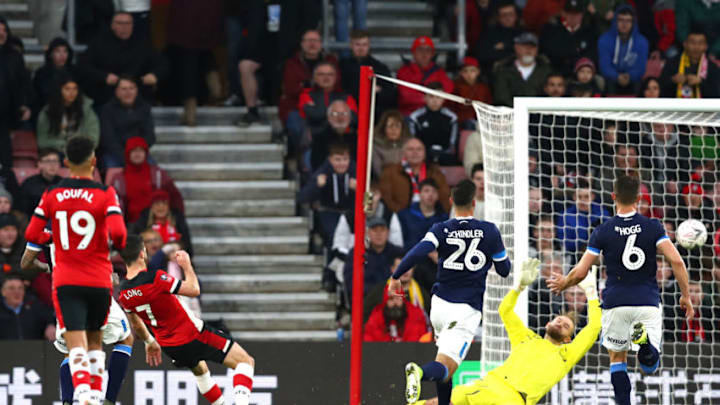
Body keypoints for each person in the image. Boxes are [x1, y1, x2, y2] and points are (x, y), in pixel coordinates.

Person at [548, 175, 695, 405]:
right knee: (649, 366)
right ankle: (644, 345)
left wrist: (563, 283)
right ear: (639, 198)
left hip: (615, 302)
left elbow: (580, 271)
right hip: (646, 301)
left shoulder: (603, 231)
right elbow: (676, 262)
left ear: (613, 197)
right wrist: (686, 296)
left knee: (617, 358)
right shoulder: (653, 226)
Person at [388, 179, 514, 405]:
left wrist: (396, 275)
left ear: (451, 202)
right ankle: (419, 372)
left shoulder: (441, 229)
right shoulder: (489, 231)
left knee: (445, 362)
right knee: (446, 367)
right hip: (465, 310)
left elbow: (418, 251)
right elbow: (504, 271)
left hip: (438, 307)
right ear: (474, 203)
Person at [24, 136, 127, 405]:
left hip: (67, 280)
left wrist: (52, 236)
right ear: (94, 161)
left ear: (66, 162)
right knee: (95, 340)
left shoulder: (51, 194)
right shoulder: (106, 193)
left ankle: (82, 392)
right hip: (98, 278)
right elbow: (119, 236)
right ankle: (94, 391)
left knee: (75, 340)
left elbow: (32, 233)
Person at [410, 264, 599, 405]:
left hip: (513, 399)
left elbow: (594, 328)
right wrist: (519, 287)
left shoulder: (567, 354)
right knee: (438, 402)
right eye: (559, 320)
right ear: (548, 323)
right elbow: (505, 310)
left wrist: (591, 293)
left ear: (568, 338)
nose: (560, 322)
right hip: (487, 385)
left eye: (566, 325)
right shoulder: (526, 337)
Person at [118, 235, 256, 405]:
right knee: (245, 362)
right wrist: (186, 266)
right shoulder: (155, 278)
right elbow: (194, 289)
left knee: (201, 371)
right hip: (192, 334)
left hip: (170, 346)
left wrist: (149, 341)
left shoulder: (123, 292)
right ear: (142, 253)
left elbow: (136, 324)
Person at [20, 235, 145, 405]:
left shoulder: (46, 224)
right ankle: (109, 400)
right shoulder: (91, 214)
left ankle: (67, 401)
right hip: (94, 291)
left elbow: (26, 262)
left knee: (71, 350)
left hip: (64, 295)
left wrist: (50, 267)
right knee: (125, 339)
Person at [78, 11, 168, 106]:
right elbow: (83, 66)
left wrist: (154, 75)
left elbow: (163, 64)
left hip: (138, 96)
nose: (124, 27)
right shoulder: (99, 43)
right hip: (106, 96)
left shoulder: (143, 44)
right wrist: (103, 77)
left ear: (133, 25)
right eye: (120, 23)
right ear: (112, 25)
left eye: (128, 23)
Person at [165, 0, 224, 125]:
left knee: (187, 66)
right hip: (209, 16)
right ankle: (216, 89)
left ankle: (190, 113)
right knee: (205, 54)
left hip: (186, 18)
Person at [279, 29, 340, 139]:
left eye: (316, 40)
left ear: (321, 43)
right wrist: (319, 85)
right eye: (308, 40)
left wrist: (307, 84)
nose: (312, 44)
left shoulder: (331, 60)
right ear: (302, 44)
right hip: (296, 107)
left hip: (327, 104)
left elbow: (336, 84)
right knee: (298, 128)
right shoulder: (292, 63)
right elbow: (291, 88)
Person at [108, 136, 184, 223]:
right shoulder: (119, 179)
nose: (137, 154)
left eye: (140, 151)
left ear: (145, 153)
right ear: (128, 153)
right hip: (131, 225)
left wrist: (179, 220)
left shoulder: (158, 174)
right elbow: (112, 203)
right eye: (134, 151)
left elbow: (175, 197)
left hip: (156, 222)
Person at [297, 143, 356, 248]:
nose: (342, 163)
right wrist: (317, 186)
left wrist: (359, 190)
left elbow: (369, 196)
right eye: (337, 160)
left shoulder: (356, 172)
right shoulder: (322, 172)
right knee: (333, 237)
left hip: (352, 214)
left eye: (345, 159)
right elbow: (302, 197)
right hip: (329, 213)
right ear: (330, 159)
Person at [379, 138, 451, 213]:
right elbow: (386, 198)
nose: (415, 152)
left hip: (430, 216)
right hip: (400, 216)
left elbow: (444, 197)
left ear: (424, 153)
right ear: (403, 153)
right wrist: (403, 215)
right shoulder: (391, 172)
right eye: (410, 149)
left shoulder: (434, 172)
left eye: (419, 149)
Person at [99, 76, 156, 167]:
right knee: (112, 167)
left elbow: (150, 136)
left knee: (153, 169)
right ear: (117, 92)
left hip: (139, 153)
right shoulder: (107, 110)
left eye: (131, 88)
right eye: (124, 89)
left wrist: (137, 151)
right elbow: (108, 139)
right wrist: (127, 156)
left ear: (136, 90)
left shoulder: (145, 108)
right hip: (115, 154)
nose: (128, 92)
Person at [339, 30, 396, 119]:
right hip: (348, 112)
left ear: (369, 46)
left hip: (374, 114)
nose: (361, 48)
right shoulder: (342, 66)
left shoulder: (380, 68)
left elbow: (391, 94)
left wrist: (379, 91)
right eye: (357, 44)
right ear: (351, 45)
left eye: (364, 44)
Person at [36, 76, 100, 152]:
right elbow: (42, 141)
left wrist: (80, 147)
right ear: (59, 90)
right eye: (67, 89)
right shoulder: (48, 111)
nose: (71, 92)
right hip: (56, 152)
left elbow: (94, 137)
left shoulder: (86, 109)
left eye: (75, 89)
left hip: (81, 152)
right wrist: (64, 146)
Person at [0, 16, 32, 169]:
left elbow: (23, 83)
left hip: (5, 116)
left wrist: (23, 104)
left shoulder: (14, 56)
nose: (1, 34)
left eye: (4, 30)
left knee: (5, 160)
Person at [343, 217, 404, 298]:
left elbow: (406, 279)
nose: (379, 234)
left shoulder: (398, 253)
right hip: (366, 299)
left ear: (388, 233)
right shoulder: (357, 253)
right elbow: (351, 282)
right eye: (375, 230)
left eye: (382, 230)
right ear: (367, 233)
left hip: (394, 300)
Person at [597, 5, 649, 95]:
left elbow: (640, 68)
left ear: (633, 23)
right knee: (606, 82)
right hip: (611, 79)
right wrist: (617, 76)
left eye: (628, 21)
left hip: (633, 80)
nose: (624, 24)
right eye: (621, 20)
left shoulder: (642, 42)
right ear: (615, 22)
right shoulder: (604, 40)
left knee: (639, 83)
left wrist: (629, 76)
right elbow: (604, 66)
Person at [299, 63, 357, 139]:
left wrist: (322, 112)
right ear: (314, 77)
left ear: (336, 77)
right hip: (315, 138)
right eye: (321, 74)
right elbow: (314, 115)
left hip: (343, 138)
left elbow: (353, 119)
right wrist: (340, 114)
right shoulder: (306, 95)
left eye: (330, 74)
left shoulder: (347, 96)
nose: (326, 77)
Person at [396, 36, 453, 115]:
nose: (424, 54)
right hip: (410, 113)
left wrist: (428, 99)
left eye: (428, 50)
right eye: (420, 50)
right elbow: (405, 96)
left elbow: (447, 92)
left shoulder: (439, 71)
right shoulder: (404, 71)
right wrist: (432, 99)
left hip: (435, 113)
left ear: (432, 54)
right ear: (414, 53)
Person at [493, 32, 553, 107]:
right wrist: (519, 111)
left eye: (532, 47)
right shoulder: (504, 70)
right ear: (516, 47)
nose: (529, 50)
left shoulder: (547, 71)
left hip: (539, 114)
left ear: (537, 49)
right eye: (525, 46)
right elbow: (501, 97)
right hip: (511, 114)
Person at [539, 0, 598, 76]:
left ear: (582, 14)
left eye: (576, 14)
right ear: (563, 13)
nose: (573, 17)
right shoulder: (550, 28)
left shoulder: (589, 31)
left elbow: (592, 54)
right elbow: (547, 51)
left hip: (581, 74)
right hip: (554, 72)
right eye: (569, 13)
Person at [659, 29, 720, 98]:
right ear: (685, 44)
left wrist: (701, 83)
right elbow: (660, 90)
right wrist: (673, 81)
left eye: (700, 43)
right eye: (693, 43)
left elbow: (716, 95)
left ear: (706, 46)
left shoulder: (712, 67)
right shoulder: (672, 63)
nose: (696, 47)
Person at [409, 82, 459, 166]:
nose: (435, 100)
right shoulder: (415, 117)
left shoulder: (452, 117)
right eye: (431, 97)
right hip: (422, 157)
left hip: (445, 155)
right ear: (424, 98)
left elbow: (453, 144)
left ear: (443, 99)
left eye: (438, 97)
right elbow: (413, 140)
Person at [132, 190, 193, 256]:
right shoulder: (143, 223)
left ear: (169, 206)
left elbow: (187, 246)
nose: (161, 207)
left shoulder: (178, 222)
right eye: (157, 203)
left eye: (164, 203)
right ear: (151, 206)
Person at [556, 180, 610, 253]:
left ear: (593, 197)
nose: (583, 200)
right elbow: (565, 243)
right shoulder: (565, 216)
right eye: (579, 197)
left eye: (586, 197)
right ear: (574, 197)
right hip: (575, 255)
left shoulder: (603, 214)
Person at [32, 37, 80, 118]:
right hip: (47, 114)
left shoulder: (75, 72)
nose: (62, 55)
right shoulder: (42, 73)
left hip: (72, 113)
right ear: (50, 54)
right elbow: (38, 98)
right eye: (58, 51)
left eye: (65, 51)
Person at [363, 284, 428, 342]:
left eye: (398, 298)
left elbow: (420, 341)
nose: (395, 303)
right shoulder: (376, 318)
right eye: (391, 299)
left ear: (403, 300)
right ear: (385, 301)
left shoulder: (416, 316)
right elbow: (369, 340)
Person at [0, 274, 55, 340]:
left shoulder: (35, 306)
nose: (17, 292)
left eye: (20, 288)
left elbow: (48, 318)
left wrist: (50, 325)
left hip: (34, 349)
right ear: (3, 292)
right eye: (11, 288)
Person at [398, 179, 448, 251]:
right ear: (419, 194)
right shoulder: (405, 215)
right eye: (426, 191)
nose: (430, 194)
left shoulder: (444, 219)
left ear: (438, 196)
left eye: (434, 191)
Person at [472, 1, 521, 74]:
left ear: (516, 16)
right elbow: (482, 55)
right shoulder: (489, 33)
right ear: (498, 17)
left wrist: (505, 46)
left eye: (511, 14)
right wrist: (512, 50)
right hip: (494, 73)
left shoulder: (522, 33)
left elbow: (526, 54)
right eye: (504, 15)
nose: (507, 18)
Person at [309, 100, 358, 171]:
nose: (340, 117)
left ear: (350, 117)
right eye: (335, 114)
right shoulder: (320, 139)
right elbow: (317, 166)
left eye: (344, 113)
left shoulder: (357, 139)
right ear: (329, 117)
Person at [18, 149, 63, 218]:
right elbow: (23, 211)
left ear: (59, 164)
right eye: (48, 161)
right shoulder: (29, 184)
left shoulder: (64, 183)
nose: (52, 165)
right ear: (39, 164)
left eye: (55, 161)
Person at [450, 57, 492, 128]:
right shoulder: (455, 87)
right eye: (465, 71)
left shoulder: (483, 88)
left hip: (481, 124)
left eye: (472, 71)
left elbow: (488, 108)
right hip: (460, 124)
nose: (469, 74)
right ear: (461, 73)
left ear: (478, 72)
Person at [371, 110, 412, 179]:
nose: (394, 129)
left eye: (397, 126)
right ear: (383, 128)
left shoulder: (409, 144)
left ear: (402, 129)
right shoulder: (375, 146)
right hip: (385, 181)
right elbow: (378, 170)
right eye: (390, 126)